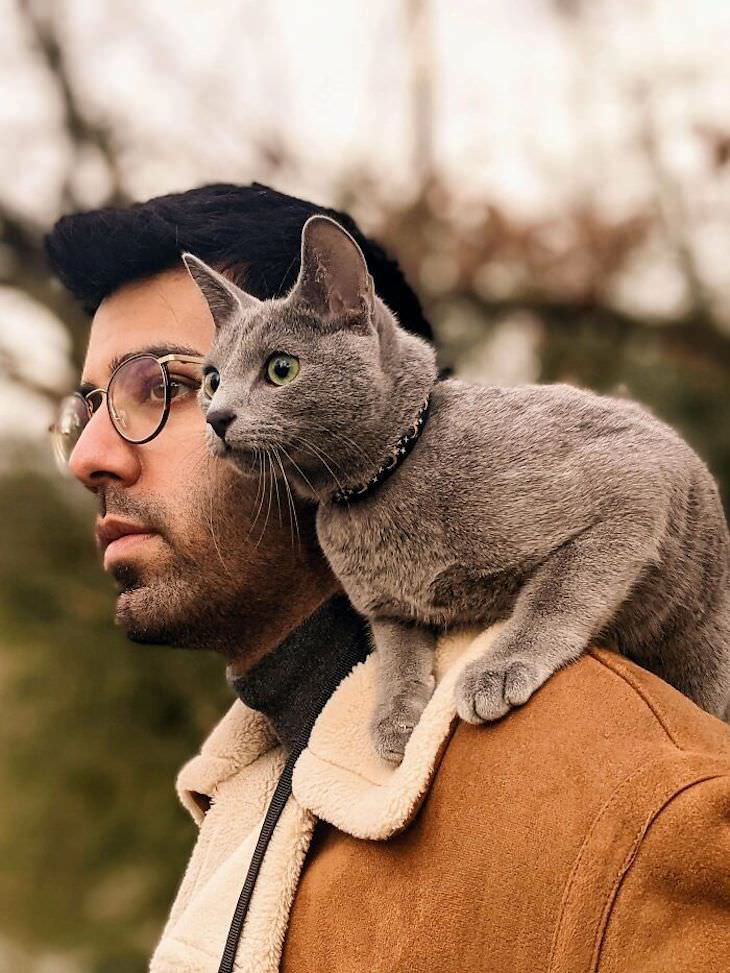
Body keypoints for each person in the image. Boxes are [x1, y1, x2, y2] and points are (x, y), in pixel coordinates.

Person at [46, 183, 730, 973]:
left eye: (159, 384)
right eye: (87, 405)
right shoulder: (250, 789)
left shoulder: (623, 799)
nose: (86, 456)